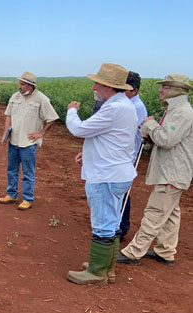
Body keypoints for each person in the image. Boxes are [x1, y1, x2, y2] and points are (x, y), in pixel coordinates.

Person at [65, 63, 137, 285]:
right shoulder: (124, 105)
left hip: (106, 175)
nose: (93, 87)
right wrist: (88, 154)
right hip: (118, 172)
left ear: (109, 87)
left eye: (97, 83)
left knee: (103, 224)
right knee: (113, 223)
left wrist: (71, 111)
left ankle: (96, 273)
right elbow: (111, 140)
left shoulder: (113, 108)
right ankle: (107, 268)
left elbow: (78, 129)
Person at [118, 74, 193, 267]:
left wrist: (150, 123)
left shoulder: (182, 112)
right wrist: (151, 134)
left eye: (166, 87)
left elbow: (166, 140)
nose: (161, 90)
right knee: (170, 213)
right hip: (172, 170)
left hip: (172, 172)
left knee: (155, 212)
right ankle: (165, 251)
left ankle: (133, 252)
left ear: (177, 90)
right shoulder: (174, 110)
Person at [90, 72, 148, 240]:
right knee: (117, 194)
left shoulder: (133, 106)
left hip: (124, 156)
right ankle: (116, 228)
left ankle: (121, 228)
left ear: (134, 90)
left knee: (120, 195)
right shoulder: (125, 103)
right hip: (120, 155)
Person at [0, 72, 59, 210]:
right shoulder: (15, 97)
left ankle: (27, 198)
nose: (19, 86)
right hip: (14, 140)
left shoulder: (41, 99)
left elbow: (52, 118)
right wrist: (5, 133)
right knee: (11, 169)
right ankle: (11, 194)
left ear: (31, 86)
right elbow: (8, 116)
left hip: (28, 142)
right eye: (19, 83)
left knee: (28, 172)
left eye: (22, 84)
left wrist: (41, 133)